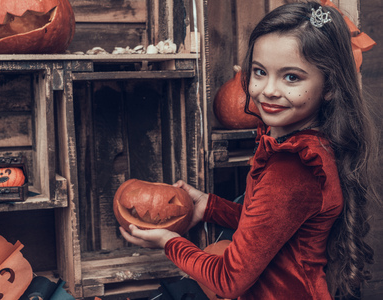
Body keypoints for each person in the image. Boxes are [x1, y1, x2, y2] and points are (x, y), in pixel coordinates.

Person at [120, 1, 380, 299]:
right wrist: (210, 207)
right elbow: (273, 228)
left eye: (291, 77)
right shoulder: (308, 143)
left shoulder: (294, 165)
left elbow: (228, 280)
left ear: (330, 85)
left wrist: (168, 241)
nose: (268, 89)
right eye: (259, 72)